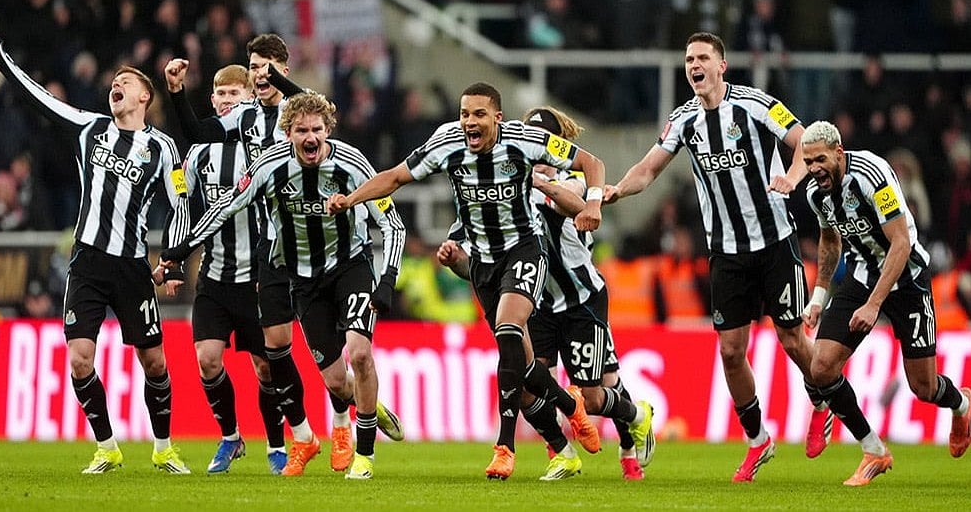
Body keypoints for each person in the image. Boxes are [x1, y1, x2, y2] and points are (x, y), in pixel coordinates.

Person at [327, 82, 605, 480]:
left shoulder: (527, 141)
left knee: (510, 330)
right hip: (483, 262)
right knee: (519, 360)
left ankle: (505, 447)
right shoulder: (446, 143)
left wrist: (593, 200)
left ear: (497, 117)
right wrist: (351, 199)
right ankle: (569, 406)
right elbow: (395, 177)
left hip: (524, 249)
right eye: (464, 114)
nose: (469, 122)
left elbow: (591, 163)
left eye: (478, 114)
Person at [164, 36, 404, 476]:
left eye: (268, 67)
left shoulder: (318, 125)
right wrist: (178, 248)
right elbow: (205, 149)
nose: (259, 73)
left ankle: (348, 432)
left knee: (358, 351)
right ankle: (306, 434)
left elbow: (390, 218)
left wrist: (386, 281)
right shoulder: (248, 121)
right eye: (253, 65)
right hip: (281, 257)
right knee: (276, 353)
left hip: (346, 262)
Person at [604, 32, 829, 482]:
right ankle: (756, 440)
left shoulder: (756, 104)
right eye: (689, 59)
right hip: (725, 251)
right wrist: (614, 191)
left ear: (721, 65)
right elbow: (648, 168)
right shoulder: (684, 120)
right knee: (730, 351)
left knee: (790, 339)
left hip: (774, 241)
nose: (694, 65)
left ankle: (823, 397)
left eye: (702, 57)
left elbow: (805, 143)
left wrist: (791, 177)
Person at [0, 33, 192, 474]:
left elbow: (181, 204)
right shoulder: (90, 128)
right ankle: (107, 447)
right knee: (79, 359)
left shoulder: (163, 148)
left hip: (133, 267)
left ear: (143, 96)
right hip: (88, 263)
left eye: (125, 81)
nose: (115, 85)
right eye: (113, 81)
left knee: (154, 360)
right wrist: (1, 58)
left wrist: (170, 258)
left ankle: (164, 447)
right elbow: (39, 98)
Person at [437, 105, 658, 481]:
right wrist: (457, 259)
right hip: (536, 304)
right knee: (523, 384)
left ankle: (636, 417)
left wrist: (540, 184)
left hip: (580, 300)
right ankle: (562, 451)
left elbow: (576, 205)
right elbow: (481, 266)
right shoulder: (502, 188)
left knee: (593, 395)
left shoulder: (570, 181)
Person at [799, 120, 971, 486]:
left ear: (838, 153)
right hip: (860, 278)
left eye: (819, 160)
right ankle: (873, 449)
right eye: (808, 161)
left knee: (923, 388)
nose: (814, 168)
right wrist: (818, 296)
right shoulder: (816, 194)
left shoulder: (872, 175)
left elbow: (900, 244)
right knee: (822, 366)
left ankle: (962, 404)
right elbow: (830, 242)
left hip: (906, 279)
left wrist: (874, 304)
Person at [164, 63, 288, 474]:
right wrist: (175, 257)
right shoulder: (198, 153)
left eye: (235, 94)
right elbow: (184, 206)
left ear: (248, 101)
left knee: (265, 366)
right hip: (215, 276)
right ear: (213, 100)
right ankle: (231, 437)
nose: (226, 101)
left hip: (256, 278)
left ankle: (275, 445)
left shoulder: (261, 151)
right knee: (208, 360)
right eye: (221, 94)